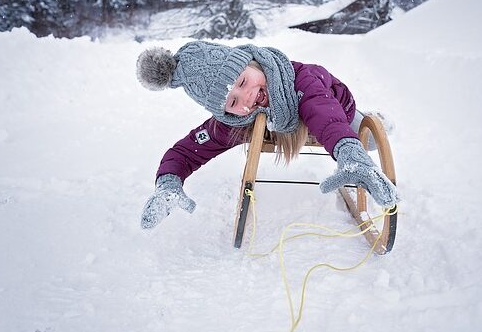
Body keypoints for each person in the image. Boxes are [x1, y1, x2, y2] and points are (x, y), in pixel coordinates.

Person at [135, 40, 398, 229]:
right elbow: (186, 151)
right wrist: (168, 183)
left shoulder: (302, 79)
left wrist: (350, 153)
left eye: (241, 82)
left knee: (370, 138)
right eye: (232, 102)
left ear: (252, 63)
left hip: (335, 109)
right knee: (253, 120)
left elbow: (323, 114)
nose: (247, 97)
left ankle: (376, 120)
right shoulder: (238, 120)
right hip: (279, 127)